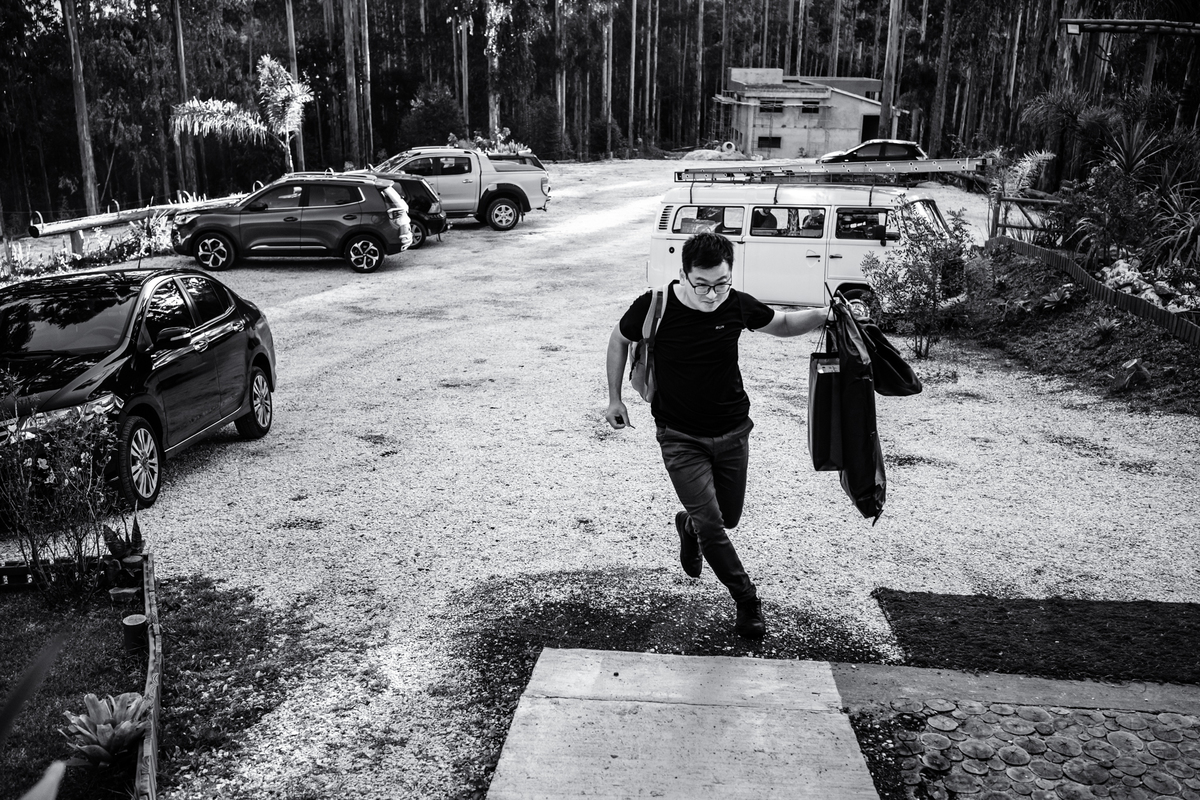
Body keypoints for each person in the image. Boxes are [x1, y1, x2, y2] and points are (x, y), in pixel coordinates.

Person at [604, 232, 829, 638]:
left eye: (721, 283)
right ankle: (746, 599)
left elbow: (780, 322)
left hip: (733, 430)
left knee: (727, 518)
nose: (712, 294)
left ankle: (687, 526)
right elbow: (620, 339)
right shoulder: (655, 305)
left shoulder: (737, 303)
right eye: (703, 284)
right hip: (679, 434)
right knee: (714, 526)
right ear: (684, 275)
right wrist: (614, 399)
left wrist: (825, 314)